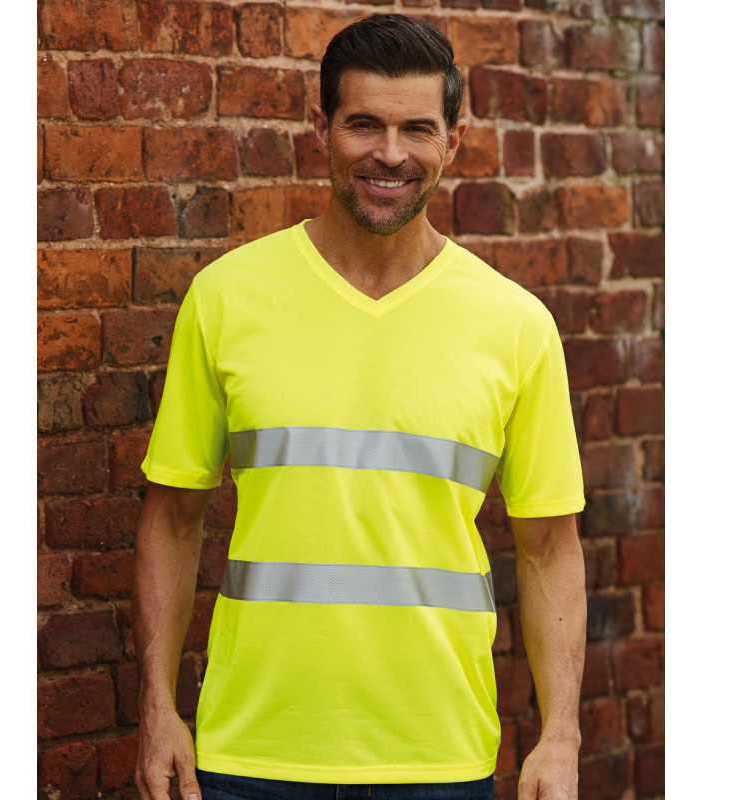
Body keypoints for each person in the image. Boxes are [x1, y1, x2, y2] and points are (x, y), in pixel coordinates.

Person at [132, 14, 586, 800]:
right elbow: (172, 517)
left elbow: (549, 546)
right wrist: (156, 710)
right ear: (322, 127)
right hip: (250, 756)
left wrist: (561, 735)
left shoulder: (516, 325)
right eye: (364, 124)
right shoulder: (227, 299)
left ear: (454, 140)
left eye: (417, 128)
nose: (390, 153)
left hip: (439, 760)